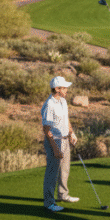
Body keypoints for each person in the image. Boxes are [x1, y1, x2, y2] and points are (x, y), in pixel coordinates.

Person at [42, 76, 78, 212]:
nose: (67, 90)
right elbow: (46, 130)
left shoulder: (63, 101)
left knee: (65, 169)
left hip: (64, 138)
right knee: (52, 172)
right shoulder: (49, 105)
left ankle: (63, 195)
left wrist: (71, 133)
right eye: (64, 88)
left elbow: (66, 119)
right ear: (57, 89)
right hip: (54, 140)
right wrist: (55, 148)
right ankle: (49, 203)